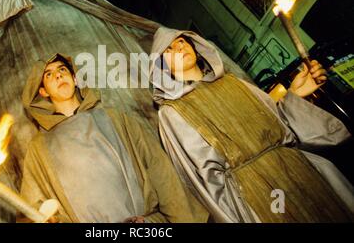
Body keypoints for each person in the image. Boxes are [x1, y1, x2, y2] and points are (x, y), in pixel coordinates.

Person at [149, 26, 354, 222]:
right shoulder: (172, 112)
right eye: (168, 50)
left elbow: (277, 123)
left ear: (195, 46)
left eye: (181, 41)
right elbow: (205, 180)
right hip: (257, 193)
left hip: (300, 171)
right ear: (162, 67)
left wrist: (296, 93)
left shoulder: (233, 82)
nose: (178, 48)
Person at [19, 53, 208, 223]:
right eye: (49, 74)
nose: (58, 75)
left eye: (62, 69)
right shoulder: (40, 148)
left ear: (75, 79)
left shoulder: (115, 118)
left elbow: (159, 168)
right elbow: (33, 207)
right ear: (43, 92)